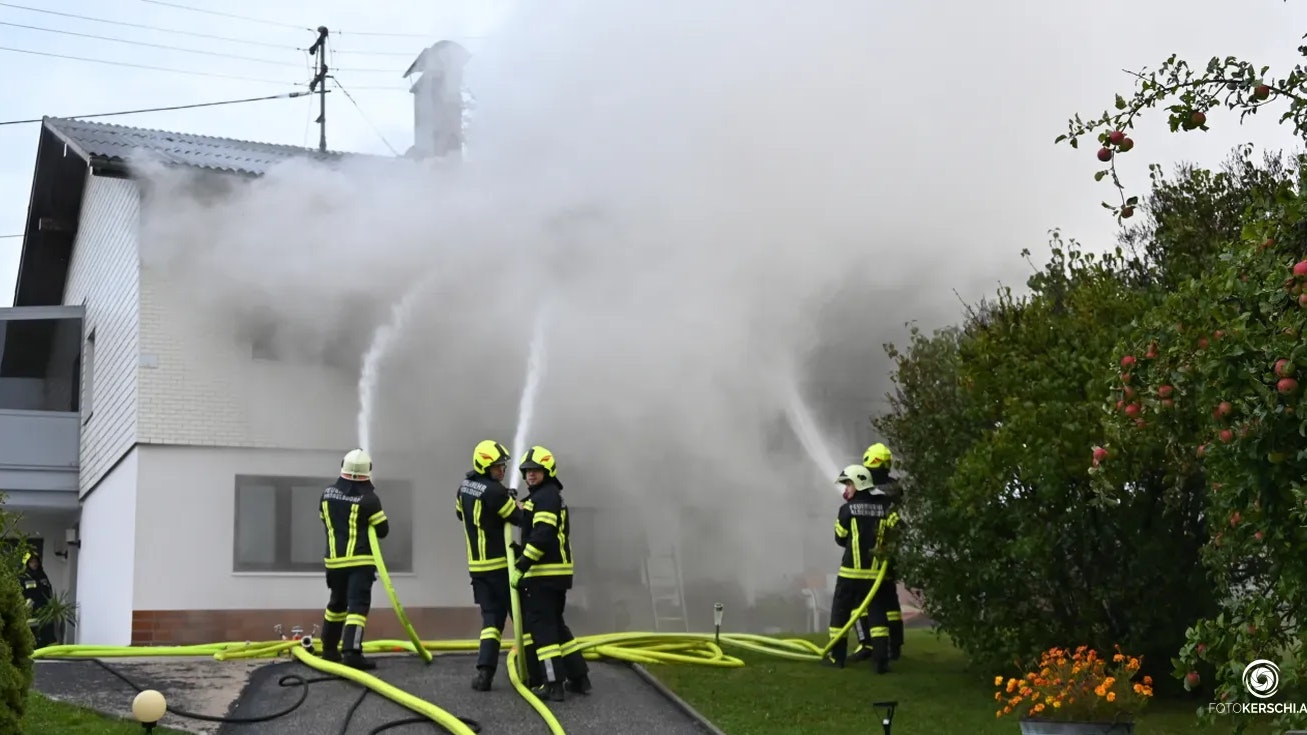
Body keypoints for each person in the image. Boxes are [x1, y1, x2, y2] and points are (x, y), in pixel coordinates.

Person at [510, 446, 591, 701]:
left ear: (548, 471)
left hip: (543, 575)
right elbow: (532, 521)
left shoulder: (545, 497)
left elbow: (542, 535)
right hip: (556, 575)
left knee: (542, 630)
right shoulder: (547, 496)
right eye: (526, 472)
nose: (529, 476)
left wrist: (521, 565)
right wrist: (516, 508)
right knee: (556, 626)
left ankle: (552, 683)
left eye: (535, 471)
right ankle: (579, 677)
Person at [458, 439, 524, 692]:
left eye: (503, 466)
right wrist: (518, 503)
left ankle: (484, 674)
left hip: (477, 569)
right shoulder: (495, 492)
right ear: (485, 465)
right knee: (521, 617)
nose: (502, 470)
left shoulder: (464, 487)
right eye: (497, 466)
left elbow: (459, 512)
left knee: (491, 622)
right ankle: (534, 671)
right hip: (500, 568)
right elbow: (518, 518)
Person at [318, 448, 389, 671]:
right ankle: (352, 652)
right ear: (367, 471)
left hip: (334, 562)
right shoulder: (369, 499)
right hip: (359, 563)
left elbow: (324, 520)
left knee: (336, 604)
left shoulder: (327, 494)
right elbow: (383, 530)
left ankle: (329, 650)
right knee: (357, 607)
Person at [825, 464, 882, 669]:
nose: (846, 489)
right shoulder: (881, 507)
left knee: (840, 614)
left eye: (848, 484)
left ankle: (835, 657)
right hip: (874, 574)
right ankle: (880, 658)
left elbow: (840, 538)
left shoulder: (846, 509)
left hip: (850, 573)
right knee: (875, 613)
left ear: (858, 484)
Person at [863, 442, 905, 661]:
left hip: (877, 555)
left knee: (869, 599)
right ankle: (894, 646)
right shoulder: (894, 487)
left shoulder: (880, 491)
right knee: (890, 600)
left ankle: (871, 646)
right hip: (890, 554)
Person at [19, 550, 55, 648]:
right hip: (29, 609)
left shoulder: (42, 575)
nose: (34, 564)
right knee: (31, 628)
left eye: (36, 561)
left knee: (46, 627)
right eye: (31, 562)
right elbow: (20, 593)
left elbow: (48, 590)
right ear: (27, 563)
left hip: (43, 608)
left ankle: (46, 645)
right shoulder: (22, 576)